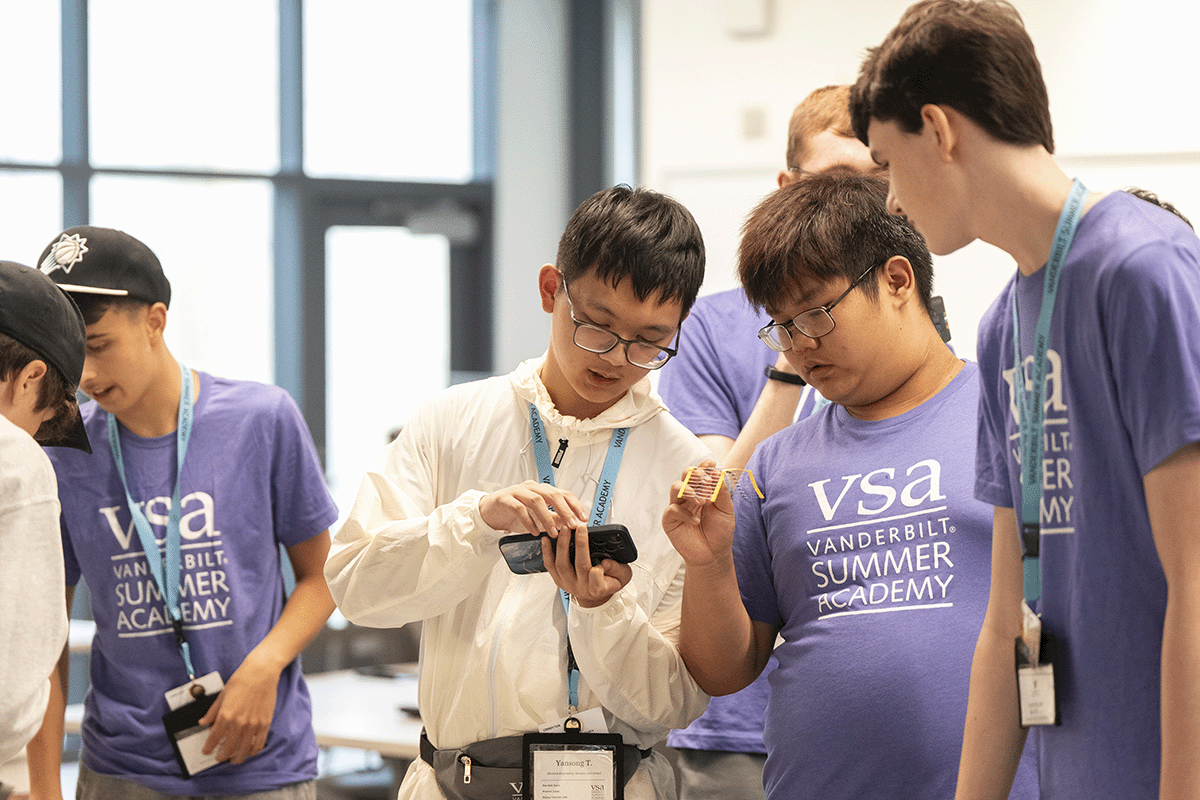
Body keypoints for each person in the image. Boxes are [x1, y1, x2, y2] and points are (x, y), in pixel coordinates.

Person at [850, 1, 1200, 797]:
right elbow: (1007, 620)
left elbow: (1196, 578)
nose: (892, 201)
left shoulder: (1144, 269)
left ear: (938, 129)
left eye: (888, 163)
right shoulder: (1005, 325)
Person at [325, 185, 711, 800]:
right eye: (598, 326)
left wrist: (602, 612)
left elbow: (677, 701)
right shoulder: (450, 422)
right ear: (551, 289)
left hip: (611, 785)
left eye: (649, 340)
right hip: (453, 782)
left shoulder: (684, 473)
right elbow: (356, 588)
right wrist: (476, 523)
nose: (617, 358)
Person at [661, 172, 1036, 800]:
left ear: (897, 281)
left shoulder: (1011, 414)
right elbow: (723, 672)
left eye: (815, 314)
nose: (799, 347)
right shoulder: (776, 465)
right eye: (782, 326)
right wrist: (707, 564)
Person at [32, 226, 338, 799]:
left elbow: (324, 576)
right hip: (123, 768)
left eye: (98, 345)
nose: (85, 375)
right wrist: (44, 786)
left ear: (155, 321)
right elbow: (45, 636)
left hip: (259, 758)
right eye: (70, 354)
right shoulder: (60, 453)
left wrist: (264, 666)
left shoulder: (262, 419)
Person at [659, 84, 883, 800]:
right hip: (734, 722)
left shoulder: (903, 326)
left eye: (873, 183)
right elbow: (712, 499)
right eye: (833, 183)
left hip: (863, 728)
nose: (853, 206)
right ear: (787, 187)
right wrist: (793, 354)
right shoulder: (711, 328)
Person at [0, 262, 90, 797]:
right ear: (31, 376)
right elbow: (13, 679)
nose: (35, 435)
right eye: (42, 419)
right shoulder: (16, 459)